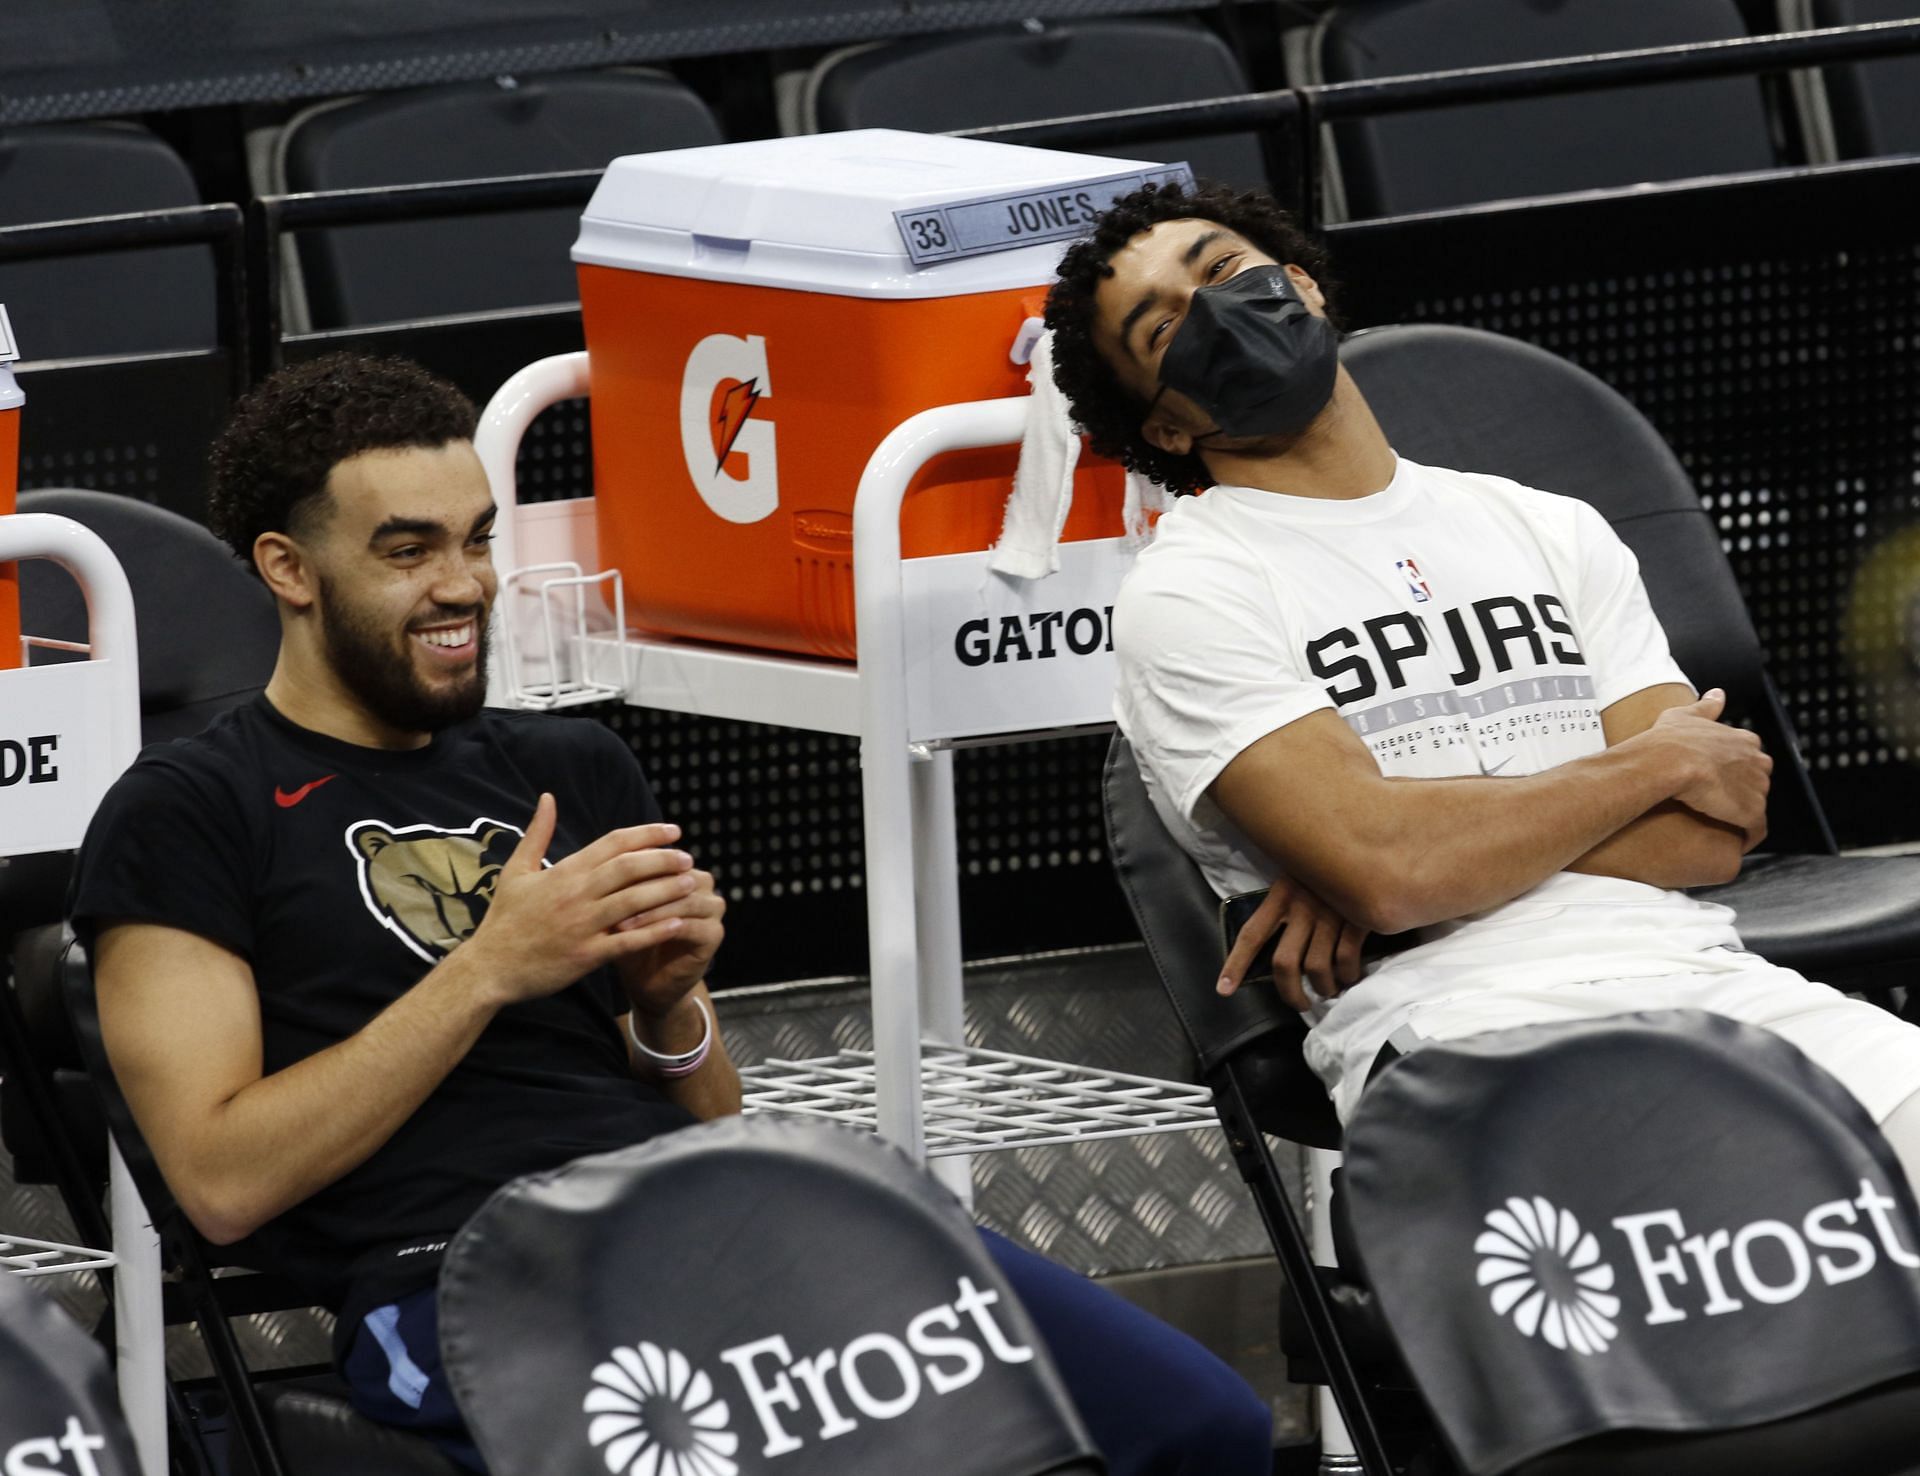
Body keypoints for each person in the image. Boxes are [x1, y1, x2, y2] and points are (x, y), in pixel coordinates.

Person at [67, 352, 1269, 1476]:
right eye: (407, 550)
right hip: (467, 1278)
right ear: (290, 569)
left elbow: (708, 1105)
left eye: (480, 540)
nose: (463, 585)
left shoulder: (571, 763)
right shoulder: (188, 809)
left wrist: (663, 1008)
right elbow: (222, 1181)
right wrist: (487, 969)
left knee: (1205, 1427)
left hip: (720, 1212)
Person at [1043, 180, 1920, 1177]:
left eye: (1224, 271)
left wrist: (1423, 861)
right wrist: (1648, 765)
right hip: (1461, 1027)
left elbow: (1714, 829)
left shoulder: (1548, 526)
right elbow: (1393, 868)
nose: (1214, 312)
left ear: (1301, 284)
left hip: (1702, 975)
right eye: (1165, 331)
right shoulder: (1194, 591)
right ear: (1164, 428)